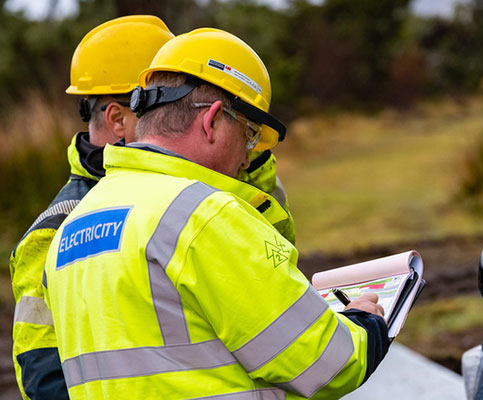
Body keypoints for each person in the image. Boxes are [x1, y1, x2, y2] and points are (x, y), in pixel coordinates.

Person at [43, 28, 390, 399]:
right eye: (250, 135)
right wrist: (363, 324)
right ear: (211, 120)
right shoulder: (203, 215)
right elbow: (325, 364)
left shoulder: (72, 227)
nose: (245, 159)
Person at [9, 15, 175, 399]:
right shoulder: (56, 229)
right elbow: (44, 374)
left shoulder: (198, 189)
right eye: (166, 103)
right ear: (118, 118)